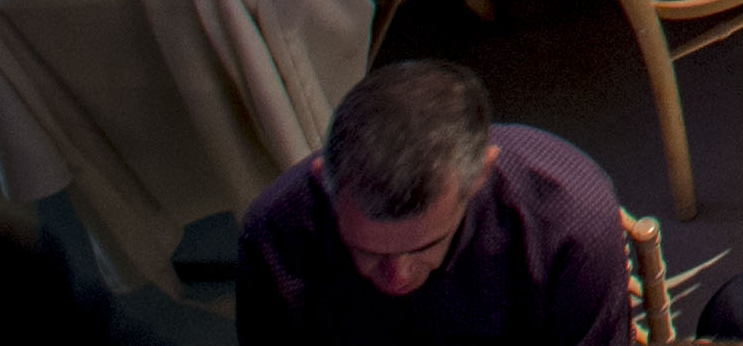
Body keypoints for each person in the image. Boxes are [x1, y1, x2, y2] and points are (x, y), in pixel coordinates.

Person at [234, 64, 630, 346]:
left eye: (423, 247)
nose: (396, 277)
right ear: (323, 181)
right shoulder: (276, 232)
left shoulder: (570, 221)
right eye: (368, 251)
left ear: (480, 175)